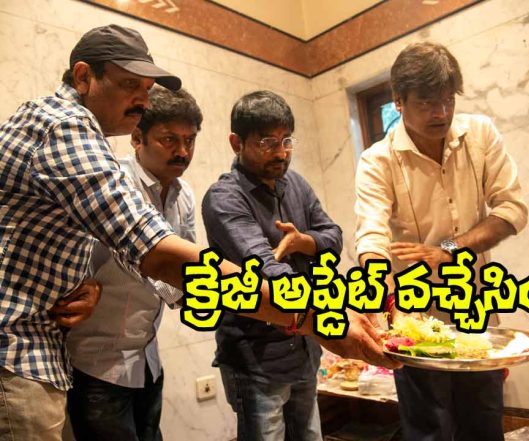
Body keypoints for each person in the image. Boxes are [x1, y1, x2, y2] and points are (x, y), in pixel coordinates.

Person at [0, 24, 396, 440]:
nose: (141, 99)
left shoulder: (222, 188)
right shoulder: (63, 126)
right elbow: (165, 256)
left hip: (78, 353)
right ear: (83, 77)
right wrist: (320, 318)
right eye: (129, 84)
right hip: (23, 349)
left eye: (147, 88)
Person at [354, 42, 527, 441]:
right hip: (415, 318)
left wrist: (448, 250)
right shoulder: (377, 160)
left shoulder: (479, 134)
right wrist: (378, 280)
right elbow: (372, 232)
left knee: (483, 421)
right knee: (428, 428)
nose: (442, 113)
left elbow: (512, 211)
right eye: (428, 103)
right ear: (398, 101)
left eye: (448, 100)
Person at [202, 91, 342, 441]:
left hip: (305, 349)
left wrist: (303, 241)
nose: (280, 153)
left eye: (286, 141)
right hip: (256, 358)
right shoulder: (224, 197)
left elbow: (334, 236)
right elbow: (266, 268)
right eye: (267, 143)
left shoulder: (295, 184)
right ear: (237, 142)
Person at [65, 86, 202, 441]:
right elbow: (145, 261)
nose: (183, 151)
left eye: (190, 140)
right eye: (169, 139)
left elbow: (184, 262)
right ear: (137, 137)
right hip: (97, 362)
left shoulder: (183, 194)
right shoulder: (115, 182)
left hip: (146, 359)